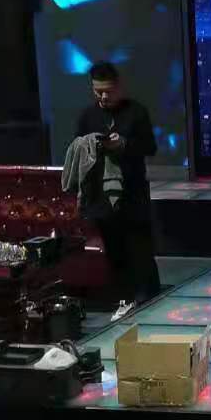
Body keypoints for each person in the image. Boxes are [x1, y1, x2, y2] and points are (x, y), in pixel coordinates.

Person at [76, 62, 160, 318]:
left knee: (141, 249)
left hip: (132, 191)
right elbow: (78, 150)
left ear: (119, 87)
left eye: (108, 91)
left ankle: (151, 299)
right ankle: (124, 299)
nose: (103, 96)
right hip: (102, 195)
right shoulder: (88, 116)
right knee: (114, 251)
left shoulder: (136, 112)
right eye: (98, 91)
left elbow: (150, 147)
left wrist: (124, 144)